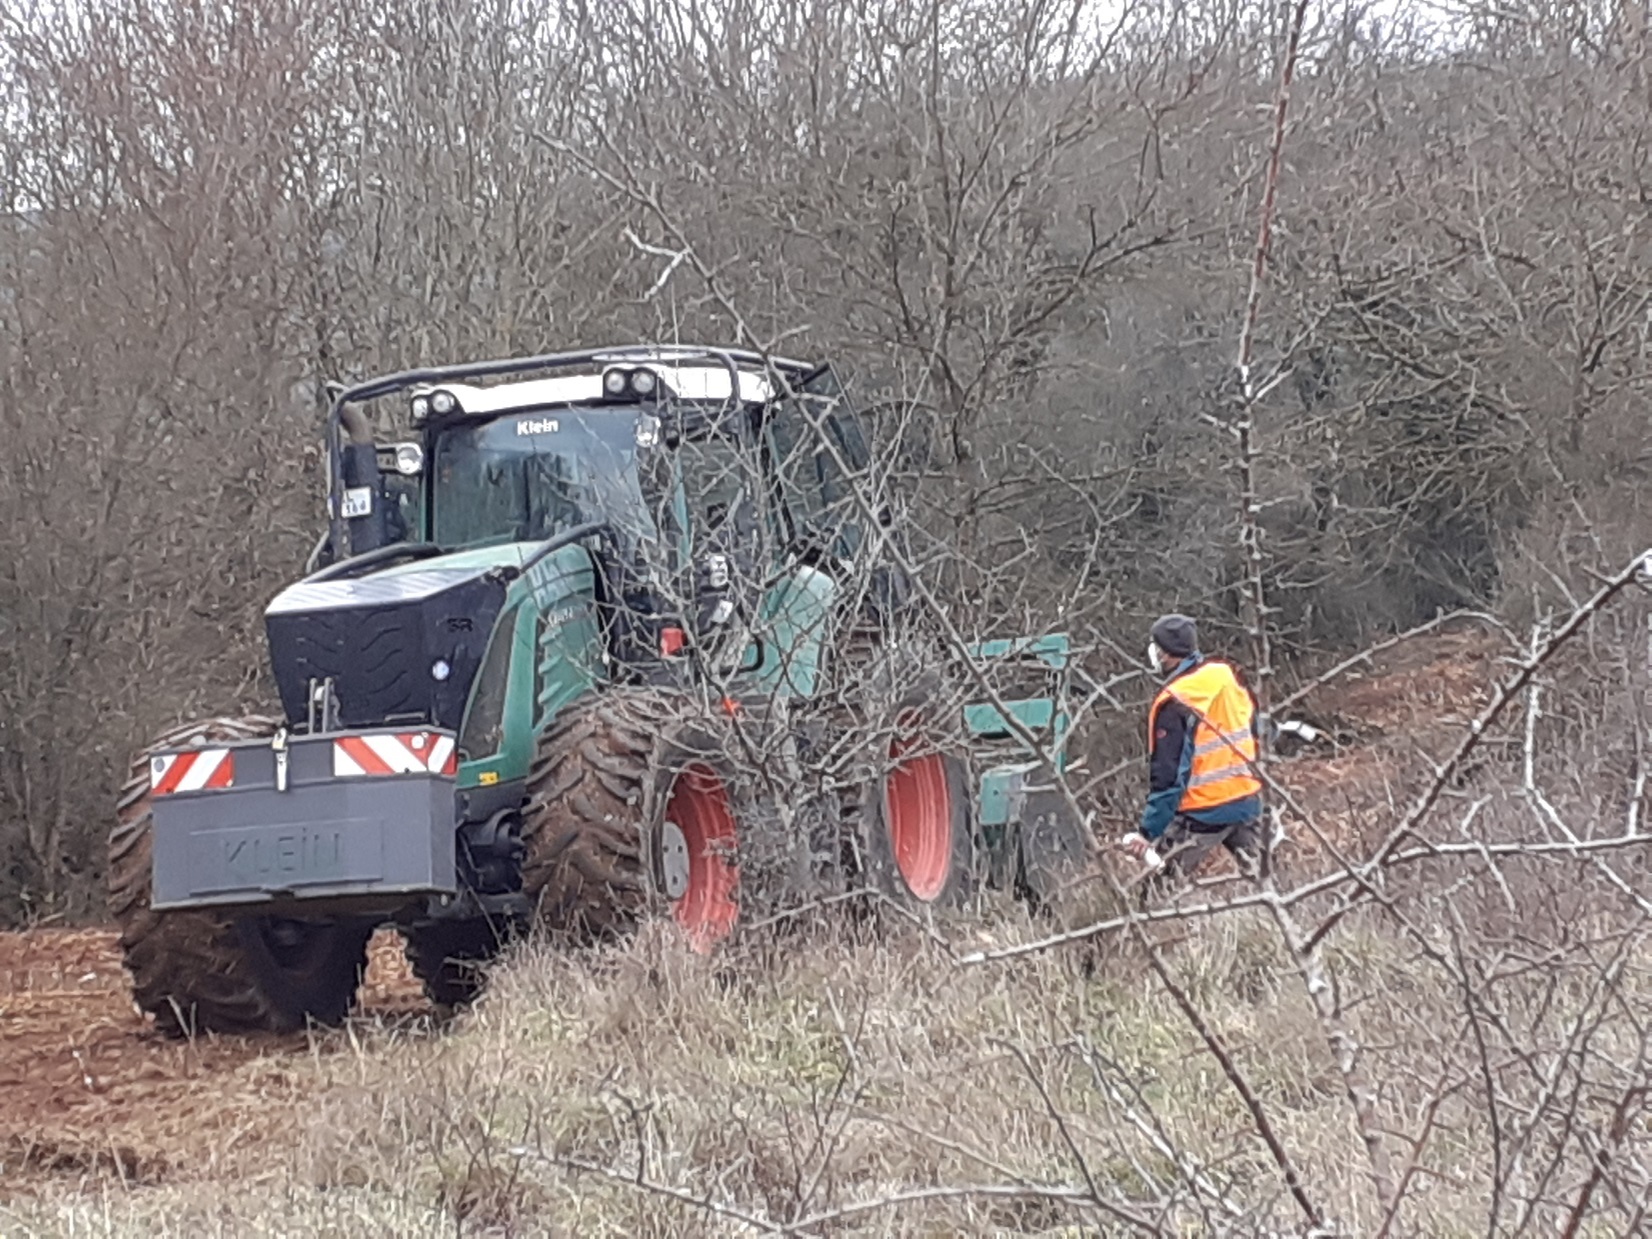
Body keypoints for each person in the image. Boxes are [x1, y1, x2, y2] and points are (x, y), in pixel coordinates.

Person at [1122, 614, 1265, 893]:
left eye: (1155, 645)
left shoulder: (1175, 701)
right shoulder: (1224, 674)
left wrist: (1147, 833)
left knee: (1157, 893)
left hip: (1203, 813)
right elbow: (1256, 727)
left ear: (1164, 653)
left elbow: (1168, 776)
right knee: (1268, 887)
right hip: (1247, 800)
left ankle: (1144, 932)